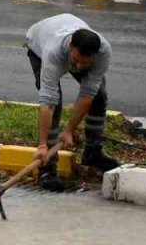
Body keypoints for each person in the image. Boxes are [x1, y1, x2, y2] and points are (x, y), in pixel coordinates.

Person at [25, 13, 121, 191]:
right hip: (38, 41)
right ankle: (47, 167)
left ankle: (93, 152)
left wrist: (69, 130)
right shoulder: (52, 53)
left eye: (85, 63)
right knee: (56, 102)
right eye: (76, 60)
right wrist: (42, 145)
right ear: (70, 48)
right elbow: (47, 102)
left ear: (95, 55)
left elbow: (88, 94)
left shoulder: (103, 52)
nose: (79, 67)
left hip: (64, 30)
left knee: (99, 95)